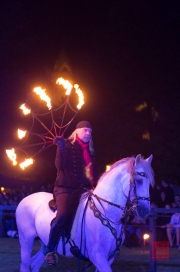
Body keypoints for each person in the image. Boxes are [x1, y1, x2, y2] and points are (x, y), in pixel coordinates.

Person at [43, 121, 100, 265]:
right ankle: (50, 249)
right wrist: (61, 148)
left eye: (90, 131)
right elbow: (60, 166)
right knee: (62, 216)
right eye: (85, 130)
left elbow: (94, 173)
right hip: (64, 188)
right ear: (77, 131)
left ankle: (85, 246)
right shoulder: (67, 145)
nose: (88, 133)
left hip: (82, 190)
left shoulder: (90, 151)